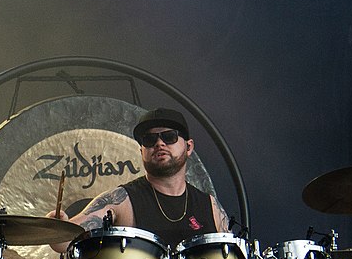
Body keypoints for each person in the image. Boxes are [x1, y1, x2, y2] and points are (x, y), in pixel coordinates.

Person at [49, 107, 230, 251]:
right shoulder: (121, 200)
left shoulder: (210, 206)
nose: (159, 143)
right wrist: (55, 227)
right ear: (141, 151)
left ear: (189, 147)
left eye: (169, 137)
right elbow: (63, 241)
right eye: (149, 140)